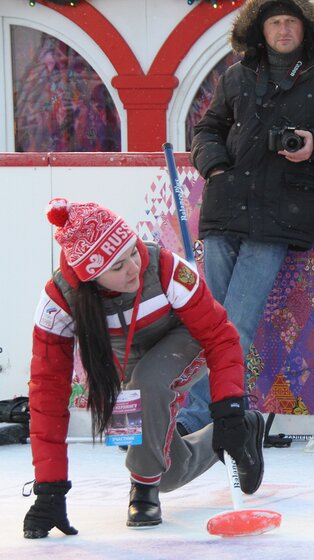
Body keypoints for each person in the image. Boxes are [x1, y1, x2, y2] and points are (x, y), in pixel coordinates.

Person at [23, 198, 266, 538]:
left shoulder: (164, 268)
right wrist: (50, 488)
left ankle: (142, 490)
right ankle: (216, 444)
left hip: (182, 340)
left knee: (148, 384)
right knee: (166, 472)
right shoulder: (59, 301)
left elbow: (221, 336)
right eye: (118, 266)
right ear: (91, 276)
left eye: (132, 252)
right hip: (123, 359)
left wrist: (229, 409)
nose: (134, 267)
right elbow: (46, 394)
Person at [180, 0, 314, 433]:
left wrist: (312, 143)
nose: (283, 30)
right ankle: (227, 409)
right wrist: (215, 166)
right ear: (259, 29)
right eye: (275, 23)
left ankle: (194, 417)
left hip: (281, 212)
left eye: (291, 22)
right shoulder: (236, 75)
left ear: (307, 29)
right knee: (211, 321)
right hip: (225, 206)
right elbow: (207, 128)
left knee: (235, 322)